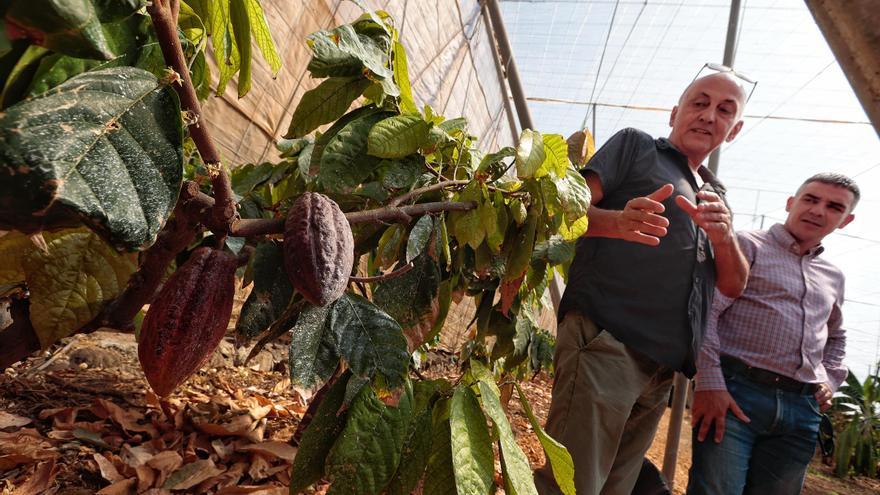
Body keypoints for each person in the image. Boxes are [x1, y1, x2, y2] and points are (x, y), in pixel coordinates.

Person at [534, 69, 751, 495]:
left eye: (725, 110)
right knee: (572, 486)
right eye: (699, 102)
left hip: (661, 372)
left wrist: (725, 237)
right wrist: (614, 221)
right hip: (606, 343)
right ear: (675, 112)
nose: (709, 115)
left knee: (613, 488)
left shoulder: (716, 197)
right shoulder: (636, 146)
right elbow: (558, 210)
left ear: (735, 129)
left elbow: (734, 285)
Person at [687, 173, 859, 495]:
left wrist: (831, 380)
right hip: (736, 396)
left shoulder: (834, 276)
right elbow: (707, 311)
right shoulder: (746, 245)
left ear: (845, 220)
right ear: (791, 203)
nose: (818, 211)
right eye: (810, 199)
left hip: (801, 410)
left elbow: (836, 337)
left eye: (834, 207)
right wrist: (709, 383)